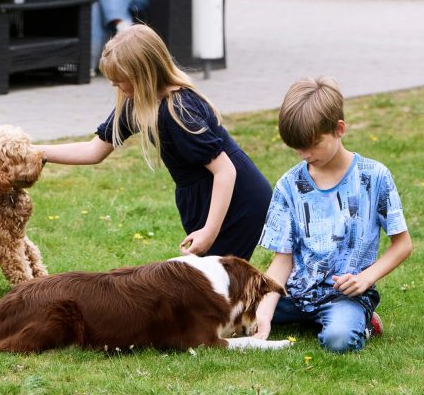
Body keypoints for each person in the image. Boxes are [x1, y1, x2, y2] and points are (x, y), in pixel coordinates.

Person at [36, 25, 272, 261]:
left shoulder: (178, 111)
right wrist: (37, 152)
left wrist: (210, 232)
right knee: (211, 287)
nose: (113, 85)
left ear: (142, 76)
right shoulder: (138, 102)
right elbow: (94, 150)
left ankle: (272, 298)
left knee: (221, 287)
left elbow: (225, 171)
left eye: (119, 81)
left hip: (237, 200)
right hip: (203, 196)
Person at [253, 77, 413, 353]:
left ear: (339, 129)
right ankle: (306, 317)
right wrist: (264, 313)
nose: (304, 155)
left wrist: (366, 278)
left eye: (313, 145)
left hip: (346, 295)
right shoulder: (288, 185)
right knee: (232, 313)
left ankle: (362, 320)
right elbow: (282, 261)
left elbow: (403, 244)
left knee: (338, 341)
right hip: (296, 294)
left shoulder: (374, 177)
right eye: (297, 147)